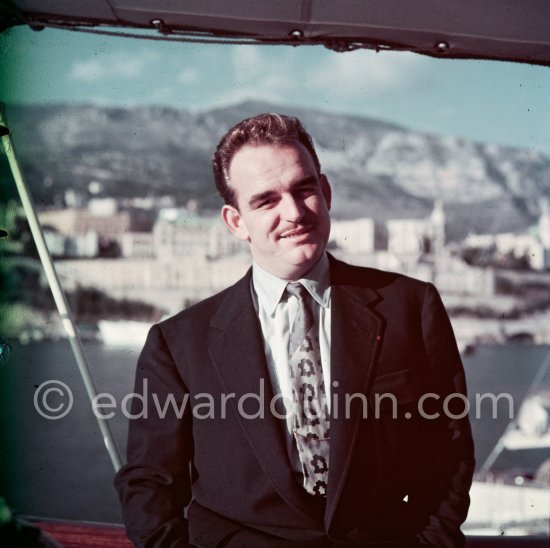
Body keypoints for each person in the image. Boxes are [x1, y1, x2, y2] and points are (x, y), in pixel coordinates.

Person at [115, 113, 475, 547]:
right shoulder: (177, 344)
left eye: (304, 189)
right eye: (266, 201)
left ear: (325, 192)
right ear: (236, 222)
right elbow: (149, 484)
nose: (294, 212)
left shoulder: (411, 308)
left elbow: (448, 452)